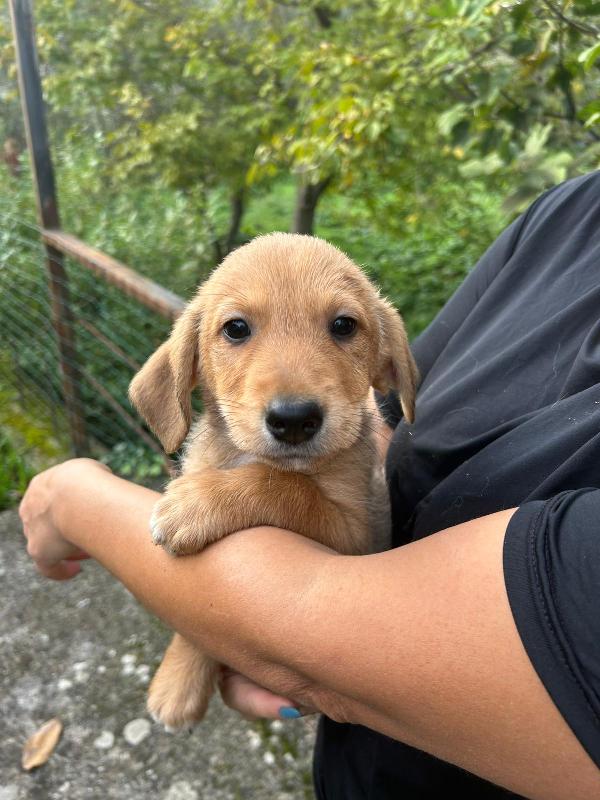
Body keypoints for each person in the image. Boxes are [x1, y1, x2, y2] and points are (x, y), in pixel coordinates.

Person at [19, 172, 600, 800]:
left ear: (387, 362)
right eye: (237, 330)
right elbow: (199, 543)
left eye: (343, 328)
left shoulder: (350, 444)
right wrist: (203, 627)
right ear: (188, 367)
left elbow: (353, 532)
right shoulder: (568, 213)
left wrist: (80, 500)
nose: (293, 392)